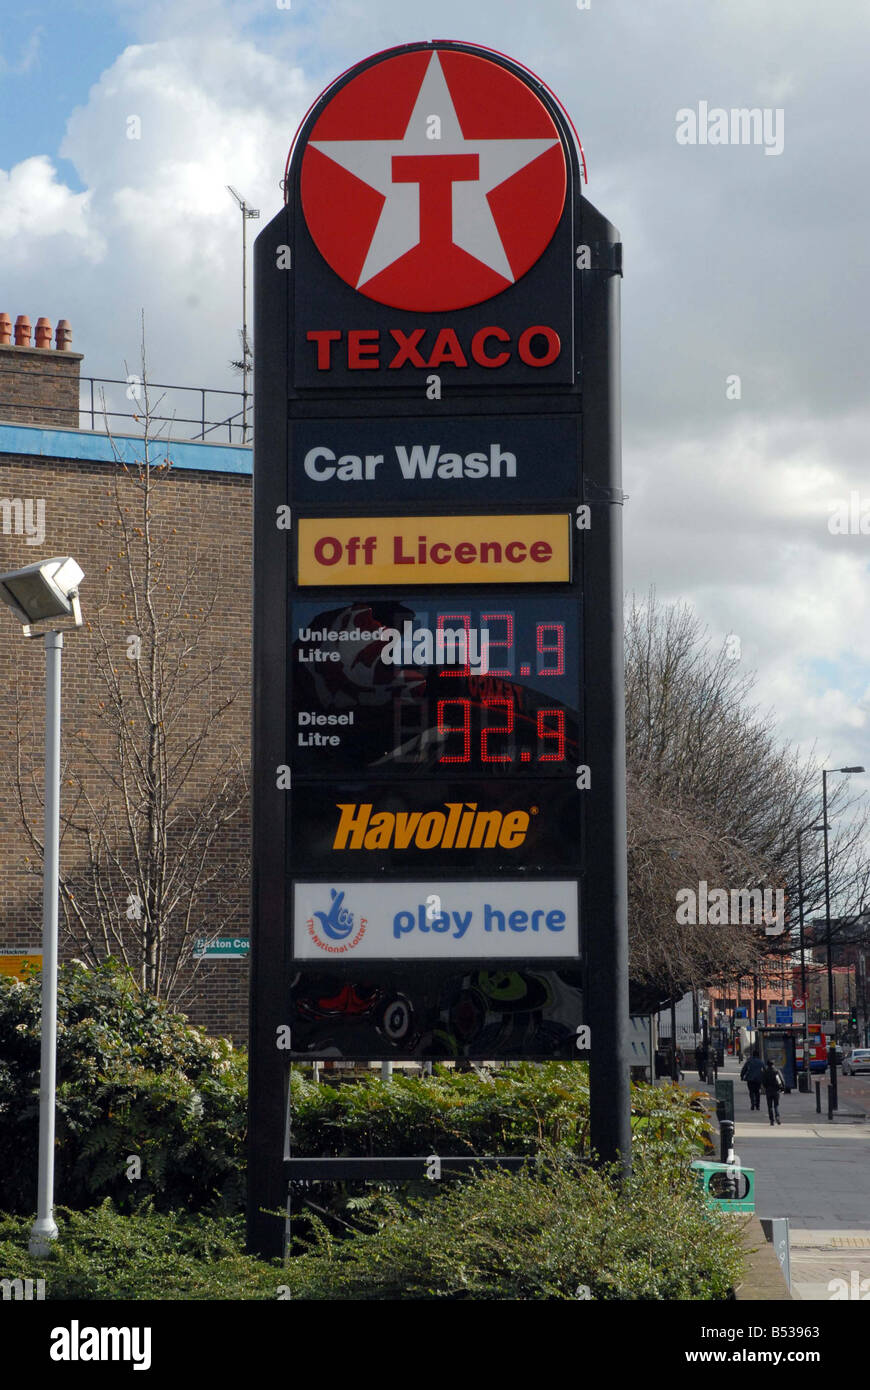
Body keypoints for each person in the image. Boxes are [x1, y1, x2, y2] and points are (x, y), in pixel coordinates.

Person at [761, 1057, 785, 1126]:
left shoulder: (765, 1072)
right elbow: (781, 1081)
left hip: (768, 1090)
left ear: (767, 1065)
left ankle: (771, 1120)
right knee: (776, 1105)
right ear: (773, 1064)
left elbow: (763, 1082)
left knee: (769, 1106)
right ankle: (777, 1117)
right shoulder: (776, 1071)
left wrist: (766, 1088)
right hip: (776, 1091)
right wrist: (782, 1088)